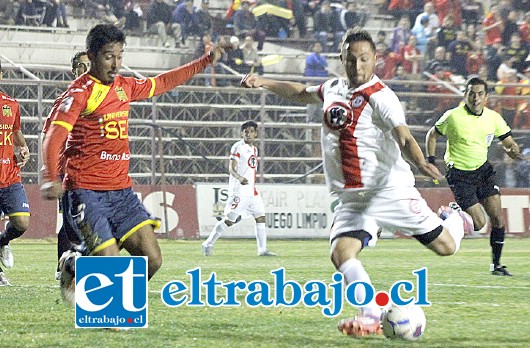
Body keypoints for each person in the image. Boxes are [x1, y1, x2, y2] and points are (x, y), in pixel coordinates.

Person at [241, 29, 471, 337]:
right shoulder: (332, 87)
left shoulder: (381, 96)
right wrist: (264, 81)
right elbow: (298, 92)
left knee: (447, 246)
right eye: (351, 60)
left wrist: (421, 162)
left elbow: (403, 135)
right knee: (341, 253)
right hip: (352, 197)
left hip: (387, 190)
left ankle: (454, 216)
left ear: (375, 60)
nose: (357, 66)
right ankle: (370, 314)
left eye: (364, 59)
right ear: (342, 59)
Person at [40, 24, 226, 298]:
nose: (115, 64)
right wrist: (49, 177)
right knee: (112, 265)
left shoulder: (124, 86)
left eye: (119, 56)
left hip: (122, 194)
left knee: (152, 260)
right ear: (91, 56)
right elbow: (54, 136)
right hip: (86, 192)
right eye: (108, 57)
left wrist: (206, 61)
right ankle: (108, 310)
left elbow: (164, 82)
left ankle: (79, 266)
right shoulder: (80, 92)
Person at [425, 77, 522, 276]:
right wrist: (431, 160)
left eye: (479, 94)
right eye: (471, 93)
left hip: (483, 171)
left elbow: (509, 141)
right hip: (459, 174)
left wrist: (513, 150)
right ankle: (453, 212)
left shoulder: (493, 118)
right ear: (465, 95)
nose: (475, 98)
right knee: (479, 224)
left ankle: (496, 265)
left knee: (497, 219)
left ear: (486, 97)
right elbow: (431, 135)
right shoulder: (453, 116)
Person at [42, 51, 90, 281]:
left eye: (88, 65)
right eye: (80, 66)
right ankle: (66, 265)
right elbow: (49, 134)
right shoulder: (65, 100)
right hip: (67, 169)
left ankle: (70, 262)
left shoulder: (100, 96)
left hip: (93, 168)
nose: (85, 69)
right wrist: (50, 169)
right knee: (72, 221)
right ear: (73, 70)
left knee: (82, 219)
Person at [202, 121, 276, 257]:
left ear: (256, 134)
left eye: (252, 131)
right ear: (242, 133)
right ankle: (208, 243)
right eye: (246, 131)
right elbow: (231, 168)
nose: (249, 134)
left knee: (260, 217)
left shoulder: (254, 149)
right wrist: (239, 177)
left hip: (252, 191)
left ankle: (262, 250)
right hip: (239, 191)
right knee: (229, 220)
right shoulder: (238, 147)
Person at [0, 60, 31, 286]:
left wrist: (24, 148)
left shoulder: (11, 104)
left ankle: (3, 241)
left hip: (10, 175)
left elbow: (16, 132)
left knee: (21, 223)